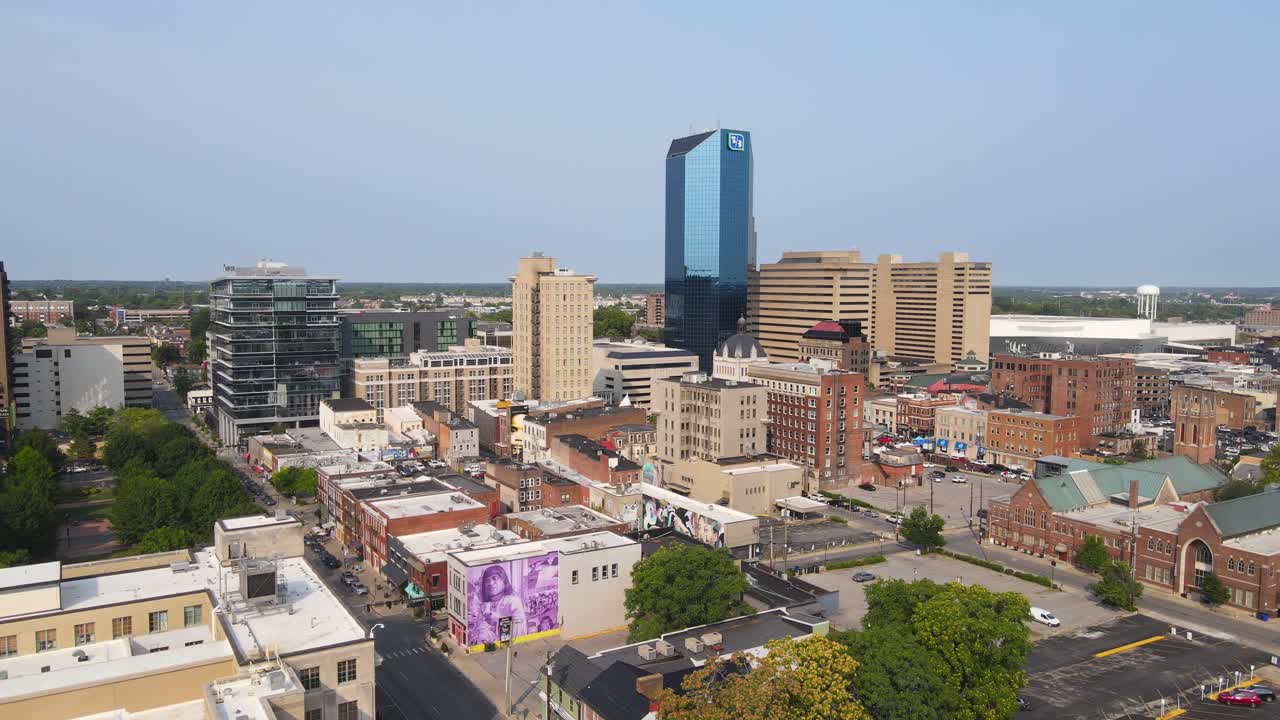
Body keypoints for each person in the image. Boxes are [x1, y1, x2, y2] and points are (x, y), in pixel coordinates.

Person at [470, 565, 526, 644]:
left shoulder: (513, 602)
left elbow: (519, 632)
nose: (490, 583)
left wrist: (499, 620)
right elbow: (476, 632)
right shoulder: (484, 606)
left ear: (503, 580)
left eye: (494, 578)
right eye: (487, 581)